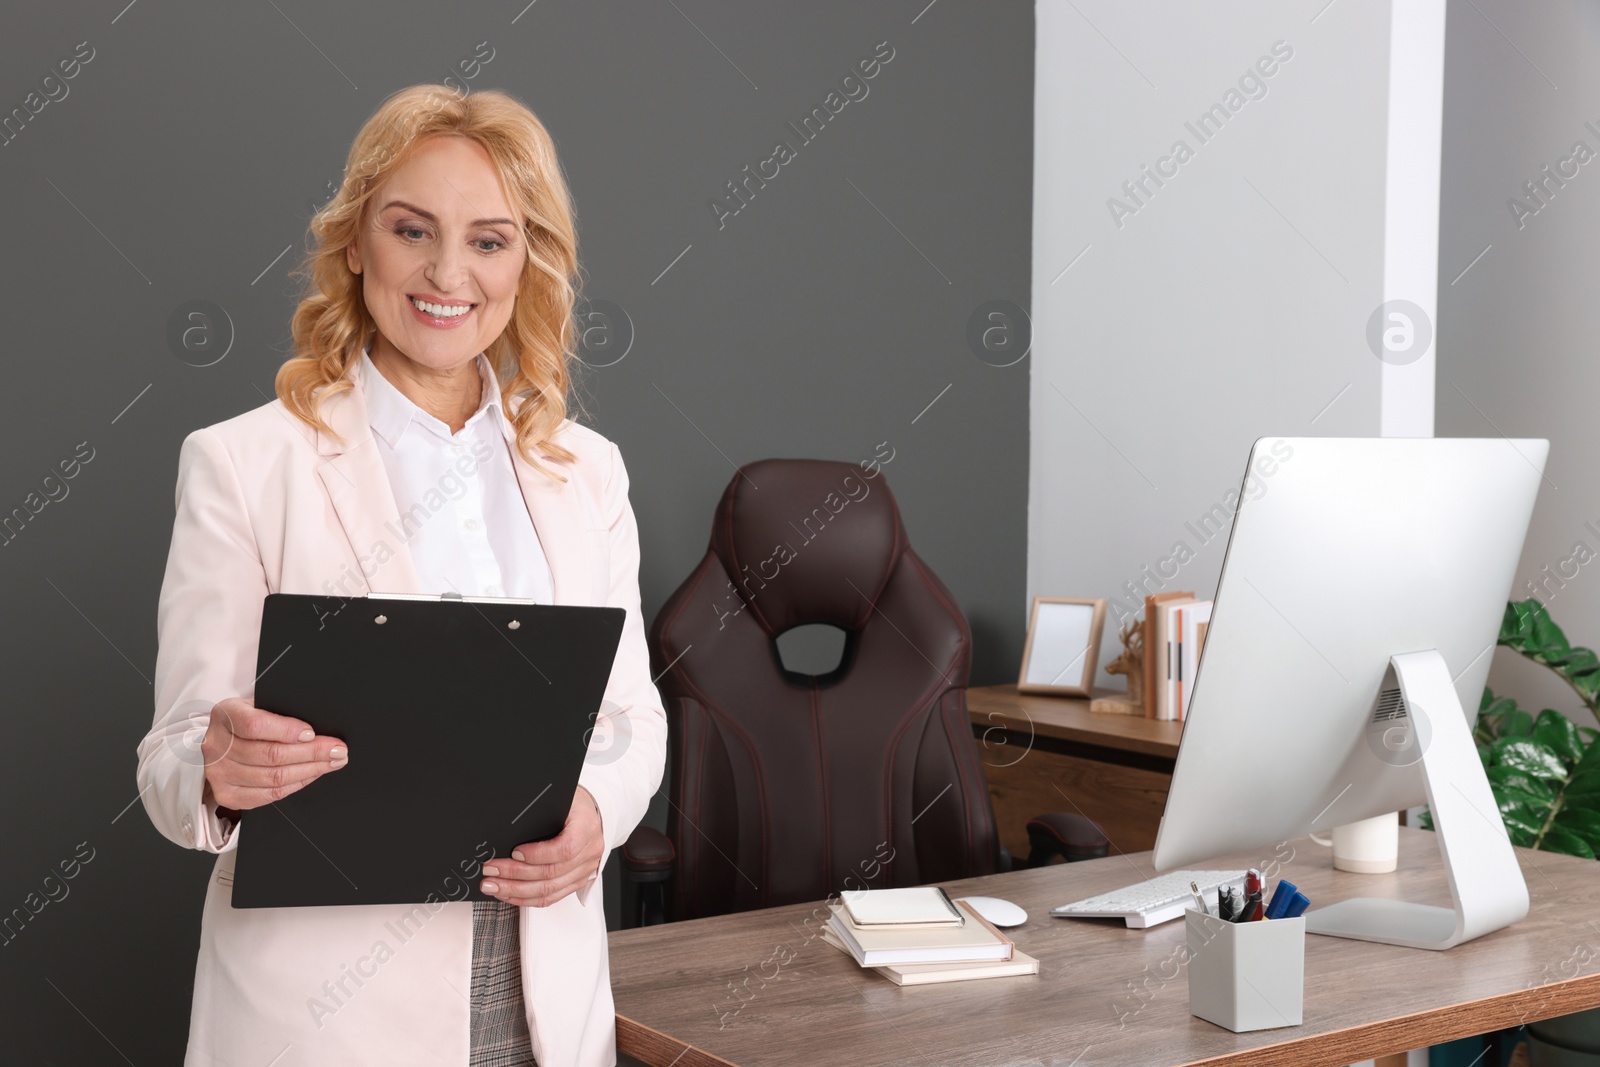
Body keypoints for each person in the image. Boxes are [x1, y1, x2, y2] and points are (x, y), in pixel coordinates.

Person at [134, 84, 666, 1067]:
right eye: (412, 229)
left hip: (538, 986)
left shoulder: (586, 470)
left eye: (489, 240)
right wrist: (216, 771)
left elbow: (632, 719)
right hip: (325, 1015)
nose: (447, 272)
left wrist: (598, 808)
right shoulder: (243, 464)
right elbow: (170, 760)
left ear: (527, 260)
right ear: (355, 243)